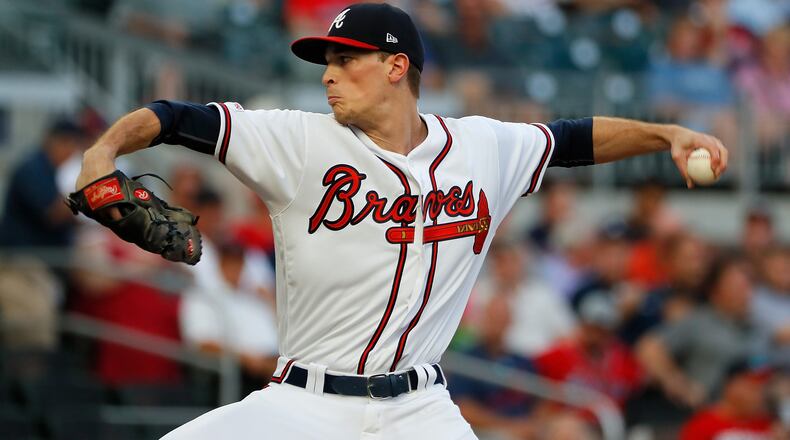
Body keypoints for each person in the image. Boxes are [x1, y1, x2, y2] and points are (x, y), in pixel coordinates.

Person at [72, 4, 728, 438]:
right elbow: (174, 116)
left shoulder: (482, 147)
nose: (329, 76)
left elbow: (573, 139)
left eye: (344, 60)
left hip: (419, 410)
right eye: (325, 62)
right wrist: (102, 153)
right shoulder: (295, 140)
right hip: (302, 404)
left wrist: (663, 132)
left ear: (394, 68)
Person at [679, 360, 774, 440]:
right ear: (730, 385)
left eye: (763, 388)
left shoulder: (770, 424)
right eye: (752, 387)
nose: (760, 395)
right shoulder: (702, 425)